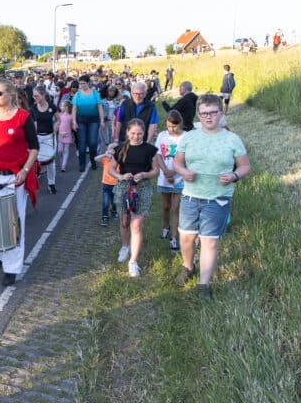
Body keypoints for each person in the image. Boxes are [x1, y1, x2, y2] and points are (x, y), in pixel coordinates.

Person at [173, 94, 250, 300]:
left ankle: (203, 285)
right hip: (191, 196)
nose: (208, 117)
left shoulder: (232, 139)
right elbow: (177, 163)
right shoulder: (189, 137)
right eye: (204, 113)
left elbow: (244, 166)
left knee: (210, 241)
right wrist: (183, 172)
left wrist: (233, 175)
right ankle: (188, 266)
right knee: (187, 238)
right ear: (198, 114)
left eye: (213, 113)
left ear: (220, 113)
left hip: (218, 198)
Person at [0, 79, 39, 286]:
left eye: (0, 93)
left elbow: (34, 147)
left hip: (14, 178)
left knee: (13, 222)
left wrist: (26, 170)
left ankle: (12, 268)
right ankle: (0, 254)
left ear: (11, 95)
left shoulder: (23, 117)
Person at [107, 119, 161, 277]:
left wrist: (144, 174)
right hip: (123, 187)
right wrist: (121, 176)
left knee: (136, 225)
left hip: (142, 188)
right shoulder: (120, 149)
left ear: (144, 133)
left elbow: (156, 171)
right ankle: (125, 246)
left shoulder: (150, 150)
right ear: (127, 133)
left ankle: (133, 261)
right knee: (124, 221)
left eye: (139, 134)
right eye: (133, 133)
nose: (136, 136)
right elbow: (111, 169)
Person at [156, 110, 185, 251]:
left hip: (179, 178)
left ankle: (174, 238)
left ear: (180, 124)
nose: (171, 129)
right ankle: (165, 226)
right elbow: (158, 155)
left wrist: (174, 171)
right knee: (166, 206)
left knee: (176, 207)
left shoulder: (185, 137)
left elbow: (187, 158)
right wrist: (165, 172)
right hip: (165, 177)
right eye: (168, 126)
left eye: (174, 126)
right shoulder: (162, 136)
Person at [71, 74, 105, 172]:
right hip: (81, 120)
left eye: (84, 83)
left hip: (93, 120)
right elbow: (74, 108)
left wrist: (102, 120)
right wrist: (74, 122)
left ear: (88, 83)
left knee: (93, 142)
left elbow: (99, 107)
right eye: (80, 84)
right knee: (82, 142)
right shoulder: (77, 94)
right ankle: (82, 164)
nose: (82, 85)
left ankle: (93, 160)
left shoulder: (95, 93)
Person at [31, 86, 58, 194]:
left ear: (43, 95)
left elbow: (58, 119)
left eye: (36, 96)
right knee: (35, 161)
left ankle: (51, 183)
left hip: (50, 137)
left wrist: (56, 126)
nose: (34, 98)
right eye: (34, 96)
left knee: (51, 161)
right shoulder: (33, 108)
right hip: (37, 137)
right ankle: (34, 182)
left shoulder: (52, 106)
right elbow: (32, 124)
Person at [95, 142, 119, 227]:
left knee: (114, 201)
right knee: (105, 202)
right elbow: (96, 159)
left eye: (113, 152)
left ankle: (114, 212)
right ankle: (105, 217)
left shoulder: (118, 161)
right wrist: (104, 155)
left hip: (116, 185)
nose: (110, 154)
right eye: (109, 151)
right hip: (106, 185)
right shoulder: (105, 160)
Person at [56, 100, 74, 172]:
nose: (61, 107)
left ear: (66, 107)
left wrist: (71, 132)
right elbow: (57, 124)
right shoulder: (59, 115)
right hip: (60, 135)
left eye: (62, 106)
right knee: (60, 151)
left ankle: (63, 166)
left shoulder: (71, 116)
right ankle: (62, 162)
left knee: (66, 151)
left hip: (67, 135)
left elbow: (72, 126)